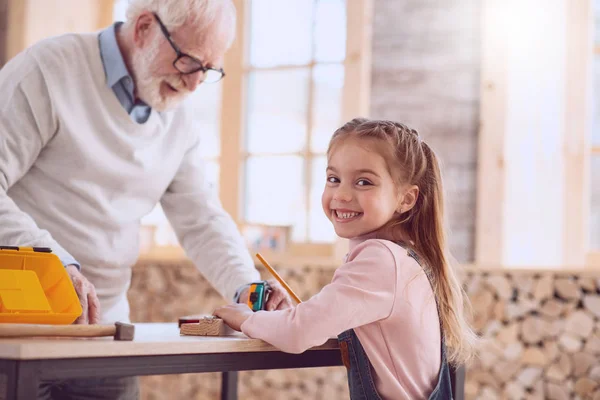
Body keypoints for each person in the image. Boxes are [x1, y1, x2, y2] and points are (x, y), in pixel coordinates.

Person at [0, 0, 291, 398]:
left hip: (105, 332)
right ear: (143, 29)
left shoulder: (176, 113)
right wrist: (54, 262)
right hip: (18, 331)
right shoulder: (49, 70)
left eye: (208, 70)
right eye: (188, 61)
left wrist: (246, 287)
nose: (194, 84)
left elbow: (201, 218)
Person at [215, 118, 477, 399]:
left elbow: (298, 333)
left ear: (406, 199)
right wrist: (288, 317)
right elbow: (313, 324)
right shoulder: (406, 258)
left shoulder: (380, 259)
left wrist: (244, 319)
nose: (341, 194)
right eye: (333, 179)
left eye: (364, 182)